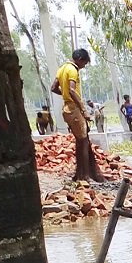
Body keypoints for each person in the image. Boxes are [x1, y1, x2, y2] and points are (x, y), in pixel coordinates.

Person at [52, 49, 103, 182]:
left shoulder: (61, 69)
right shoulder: (72, 70)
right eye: (85, 62)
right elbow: (72, 90)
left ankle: (81, 173)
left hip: (66, 108)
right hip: (73, 108)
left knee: (80, 141)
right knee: (84, 142)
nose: (85, 65)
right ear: (80, 59)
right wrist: (83, 110)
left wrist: (65, 95)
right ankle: (85, 175)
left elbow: (53, 88)